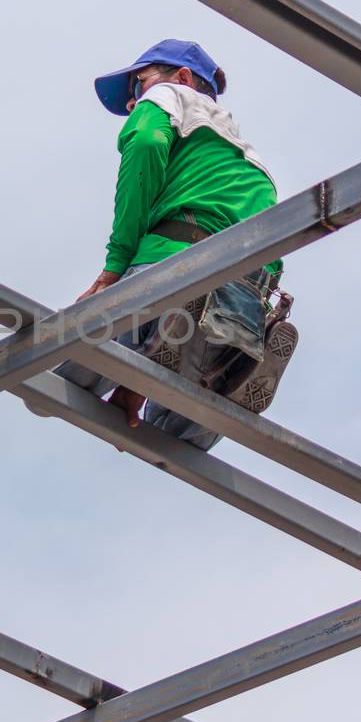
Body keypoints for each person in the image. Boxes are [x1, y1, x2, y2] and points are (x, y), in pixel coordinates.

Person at [56, 39, 296, 450]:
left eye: (137, 86)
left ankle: (164, 334)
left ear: (183, 77)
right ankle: (228, 370)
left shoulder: (171, 98)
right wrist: (138, 380)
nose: (134, 103)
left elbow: (146, 145)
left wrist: (114, 267)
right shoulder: (253, 164)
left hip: (171, 267)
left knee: (58, 378)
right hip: (241, 302)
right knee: (176, 436)